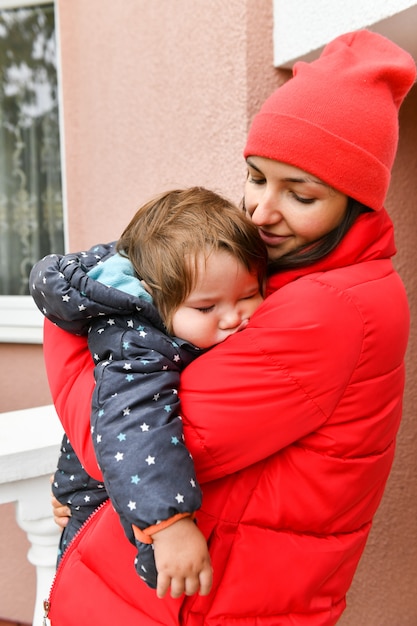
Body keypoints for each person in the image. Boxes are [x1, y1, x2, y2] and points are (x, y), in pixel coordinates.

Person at [38, 29, 415, 626]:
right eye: (258, 177)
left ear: (355, 201)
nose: (263, 210)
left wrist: (69, 322)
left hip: (210, 605)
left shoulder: (330, 308)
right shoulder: (280, 270)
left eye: (302, 194)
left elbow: (129, 438)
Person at [30, 186, 266, 594]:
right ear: (156, 300)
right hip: (99, 497)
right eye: (206, 308)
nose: (233, 318)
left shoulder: (187, 308)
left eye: (249, 295)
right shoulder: (137, 341)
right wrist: (169, 524)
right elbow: (134, 419)